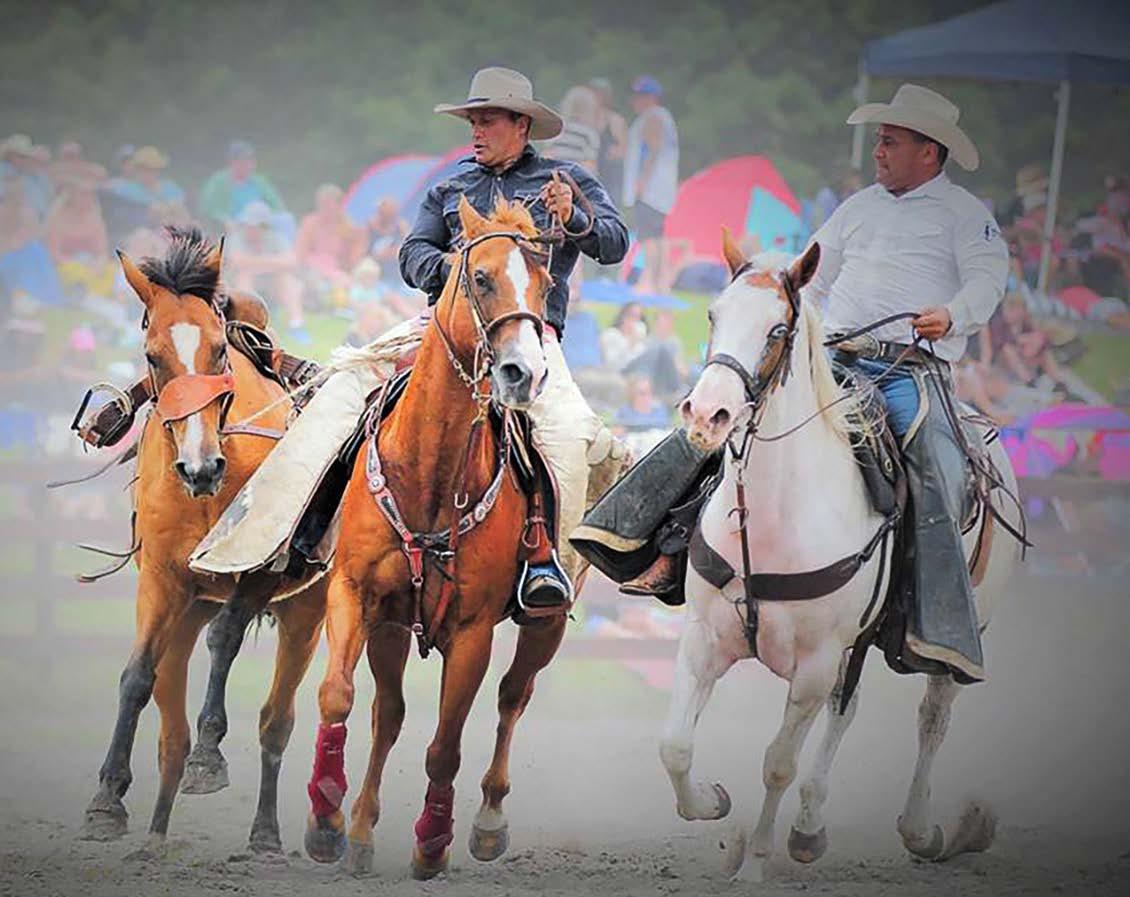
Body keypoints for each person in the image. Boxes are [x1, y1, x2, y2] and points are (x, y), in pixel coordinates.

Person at [400, 65, 631, 606]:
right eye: (472, 122)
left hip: (530, 339)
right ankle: (311, 536)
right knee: (344, 399)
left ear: (521, 125)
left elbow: (616, 243)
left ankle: (548, 564)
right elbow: (412, 255)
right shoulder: (449, 187)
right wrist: (458, 271)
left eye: (488, 121)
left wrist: (575, 217)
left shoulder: (567, 182)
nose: (476, 132)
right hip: (442, 336)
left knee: (568, 441)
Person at [622, 76, 679, 294]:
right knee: (657, 234)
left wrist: (641, 182)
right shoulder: (663, 116)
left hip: (650, 189)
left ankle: (648, 281)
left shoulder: (653, 117)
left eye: (640, 96)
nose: (635, 101)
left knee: (648, 237)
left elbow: (652, 150)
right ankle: (661, 282)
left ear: (651, 98)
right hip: (660, 189)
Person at [225, 200, 308, 342]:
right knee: (245, 276)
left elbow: (291, 262)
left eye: (254, 226)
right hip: (240, 288)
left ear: (264, 226)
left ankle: (296, 325)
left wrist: (257, 265)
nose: (250, 229)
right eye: (248, 225)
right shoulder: (236, 238)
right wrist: (272, 263)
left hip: (272, 286)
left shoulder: (275, 238)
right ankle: (248, 324)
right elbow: (237, 262)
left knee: (288, 280)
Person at [295, 183, 367, 305]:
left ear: (339, 205)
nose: (325, 209)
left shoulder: (348, 227)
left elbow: (355, 258)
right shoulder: (310, 223)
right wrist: (324, 270)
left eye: (329, 205)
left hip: (339, 271)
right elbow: (301, 254)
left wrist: (357, 241)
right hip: (313, 270)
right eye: (322, 205)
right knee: (319, 281)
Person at [199, 140, 288, 230]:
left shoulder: (259, 181)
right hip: (236, 222)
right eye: (243, 161)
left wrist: (271, 215)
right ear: (233, 163)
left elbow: (276, 204)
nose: (247, 165)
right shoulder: (219, 182)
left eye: (250, 161)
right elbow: (208, 207)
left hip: (261, 220)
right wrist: (224, 220)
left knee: (285, 219)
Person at [588, 78, 628, 211]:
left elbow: (624, 149)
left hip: (610, 175)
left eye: (598, 93)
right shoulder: (586, 119)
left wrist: (615, 152)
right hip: (591, 174)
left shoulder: (615, 120)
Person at [543, 85, 601, 172]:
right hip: (576, 174)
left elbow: (547, 153)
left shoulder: (557, 127)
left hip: (555, 174)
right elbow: (590, 163)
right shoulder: (589, 134)